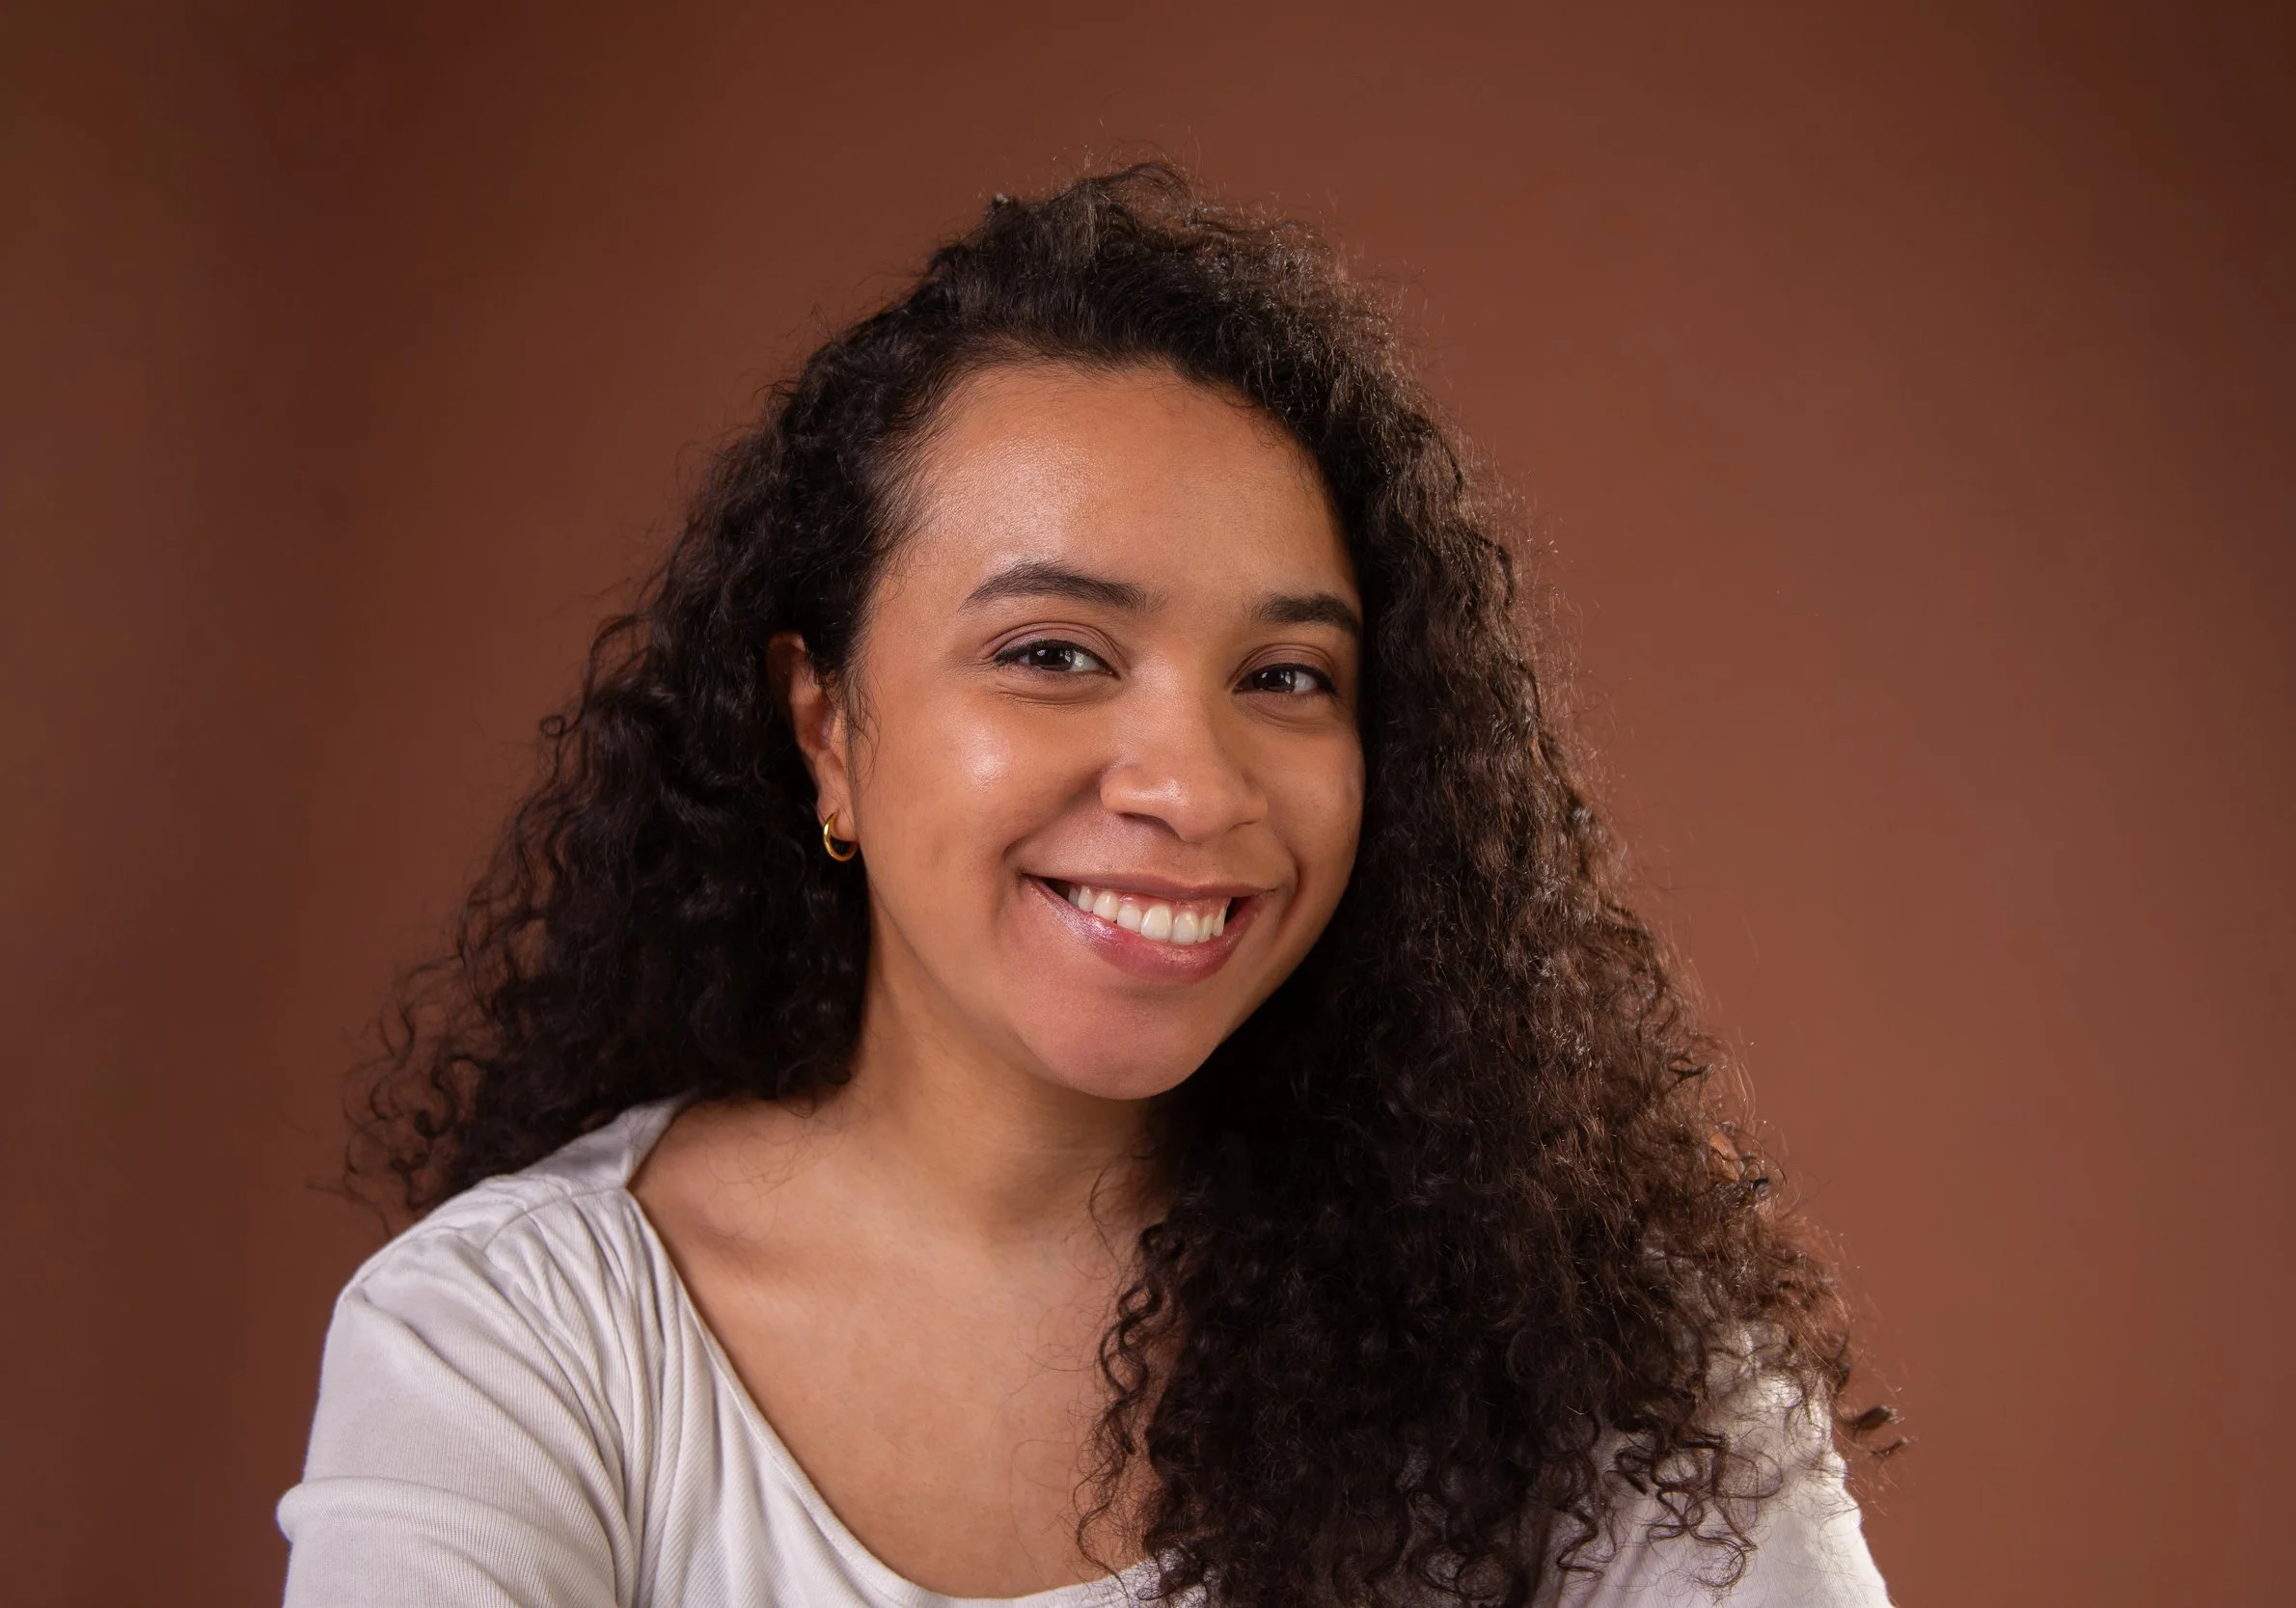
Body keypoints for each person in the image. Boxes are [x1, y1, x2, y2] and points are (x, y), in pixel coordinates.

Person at [280, 164, 1894, 1608]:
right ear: (827, 725)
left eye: (1283, 675)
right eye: (1052, 654)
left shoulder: (1602, 1353)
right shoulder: (510, 1341)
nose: (1191, 786)